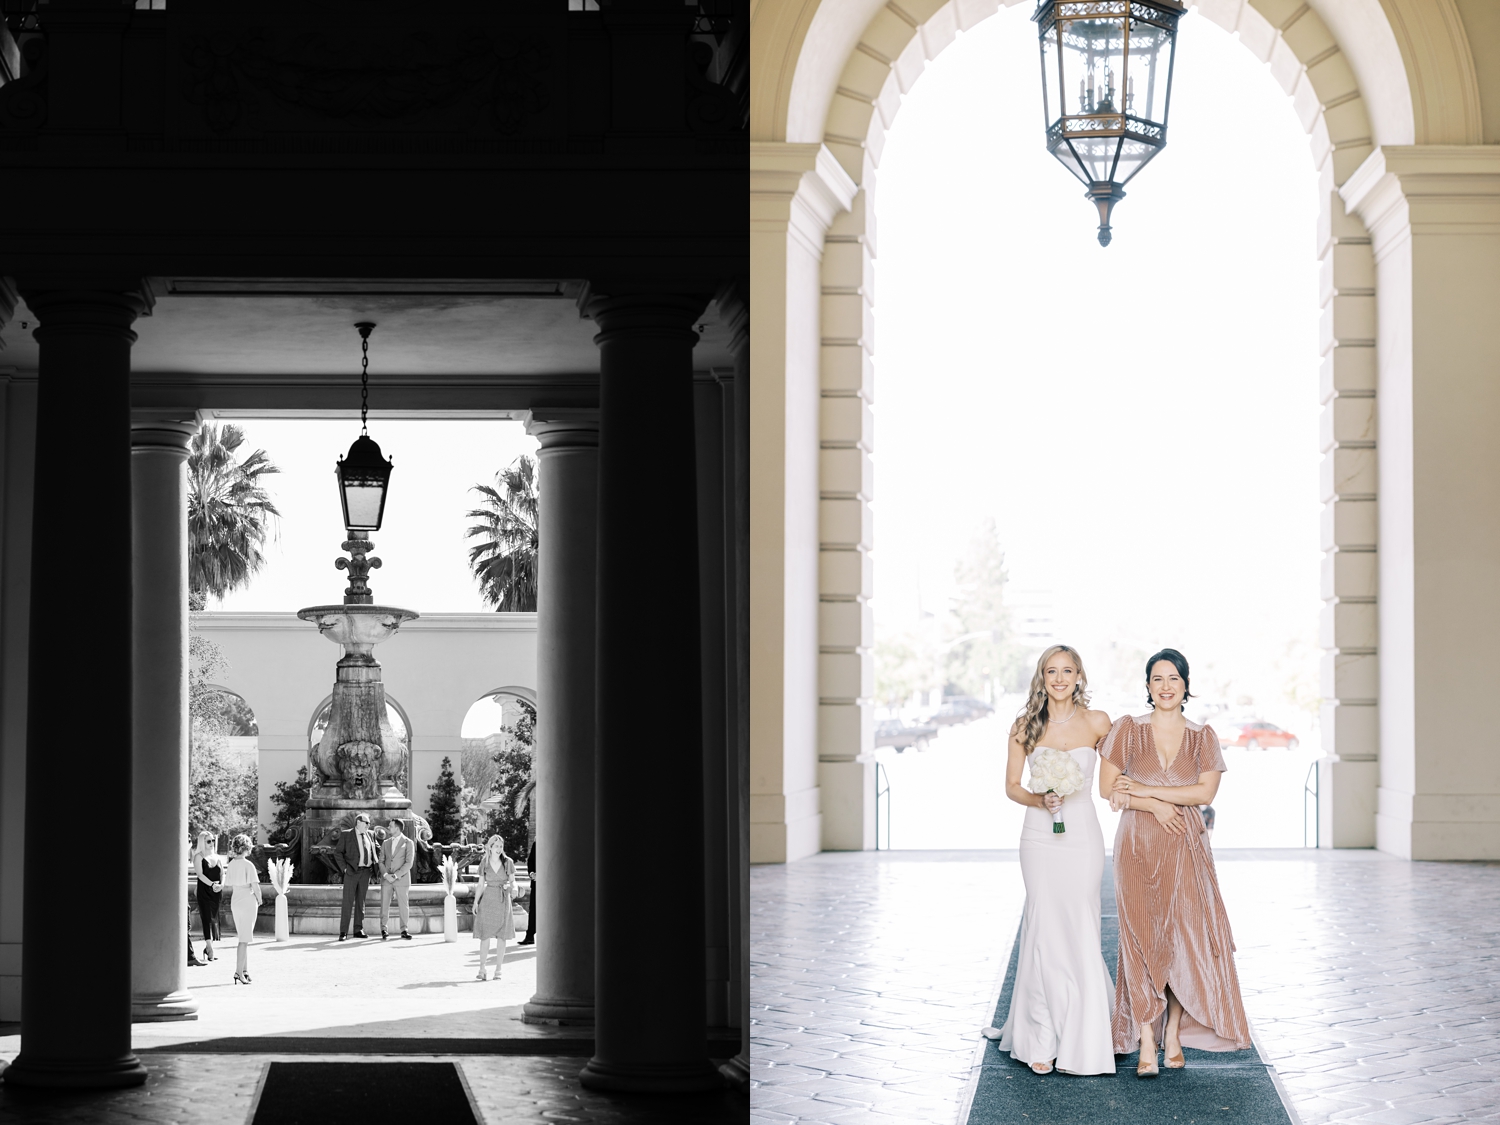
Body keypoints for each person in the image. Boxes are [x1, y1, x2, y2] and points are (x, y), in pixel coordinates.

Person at [1100, 648, 1252, 1078]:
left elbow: (1204, 795)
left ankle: (1173, 1033)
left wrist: (1145, 792)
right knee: (1141, 937)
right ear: (1147, 686)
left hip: (1185, 845)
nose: (1165, 686)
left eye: (1173, 679)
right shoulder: (1127, 730)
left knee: (1183, 939)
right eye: (1157, 679)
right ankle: (1146, 1036)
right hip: (1136, 845)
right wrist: (1153, 803)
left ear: (1186, 685)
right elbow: (1107, 790)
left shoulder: (1202, 736)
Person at [983, 645, 1116, 1076]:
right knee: (1042, 923)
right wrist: (1040, 799)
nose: (1059, 678)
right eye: (1051, 671)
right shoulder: (1025, 725)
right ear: (1042, 677)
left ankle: (1086, 1031)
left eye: (1067, 670)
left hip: (1082, 836)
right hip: (1039, 836)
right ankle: (1040, 1033)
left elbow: (1114, 778)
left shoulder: (1098, 722)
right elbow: (1010, 786)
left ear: (1080, 675)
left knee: (1080, 921)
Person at [472, 835, 516, 981]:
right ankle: (482, 968)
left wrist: (512, 888)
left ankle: (498, 969)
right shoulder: (484, 862)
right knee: (485, 935)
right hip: (488, 899)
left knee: (502, 936)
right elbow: (480, 885)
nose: (499, 849)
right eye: (496, 846)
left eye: (501, 846)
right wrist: (475, 902)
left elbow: (513, 882)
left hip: (503, 900)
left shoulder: (508, 862)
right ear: (490, 847)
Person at [223, 834, 263, 985]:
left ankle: (244, 970)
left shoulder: (232, 864)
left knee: (243, 937)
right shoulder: (249, 865)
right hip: (247, 900)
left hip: (236, 900)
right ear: (246, 848)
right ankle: (238, 972)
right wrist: (259, 900)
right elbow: (255, 886)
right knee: (243, 940)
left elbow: (228, 883)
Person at [335, 813, 381, 940]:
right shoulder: (346, 834)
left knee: (361, 902)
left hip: (366, 872)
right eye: (367, 823)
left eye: (369, 823)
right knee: (347, 902)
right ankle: (343, 932)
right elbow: (338, 853)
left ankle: (358, 929)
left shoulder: (370, 834)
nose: (369, 825)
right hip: (351, 872)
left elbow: (377, 849)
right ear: (358, 822)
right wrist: (344, 868)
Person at [190, 830, 224, 963]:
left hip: (217, 892)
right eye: (208, 841)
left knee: (214, 919)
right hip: (204, 891)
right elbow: (200, 875)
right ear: (202, 842)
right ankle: (209, 948)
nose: (211, 843)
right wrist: (212, 885)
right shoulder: (198, 856)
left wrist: (221, 885)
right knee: (206, 919)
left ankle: (209, 946)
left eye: (212, 841)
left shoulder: (217, 857)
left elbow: (222, 874)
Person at [380, 817, 415, 940]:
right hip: (386, 879)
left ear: (397, 828)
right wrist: (386, 875)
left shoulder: (408, 842)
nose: (388, 828)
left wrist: (395, 876)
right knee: (384, 904)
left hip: (402, 879)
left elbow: (409, 863)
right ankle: (384, 929)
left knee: (403, 905)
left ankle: (404, 929)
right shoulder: (385, 843)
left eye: (390, 826)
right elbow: (381, 861)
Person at [519, 839, 536, 946]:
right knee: (533, 909)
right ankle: (530, 936)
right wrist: (532, 873)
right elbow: (530, 861)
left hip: (552, 884)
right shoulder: (537, 842)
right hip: (536, 882)